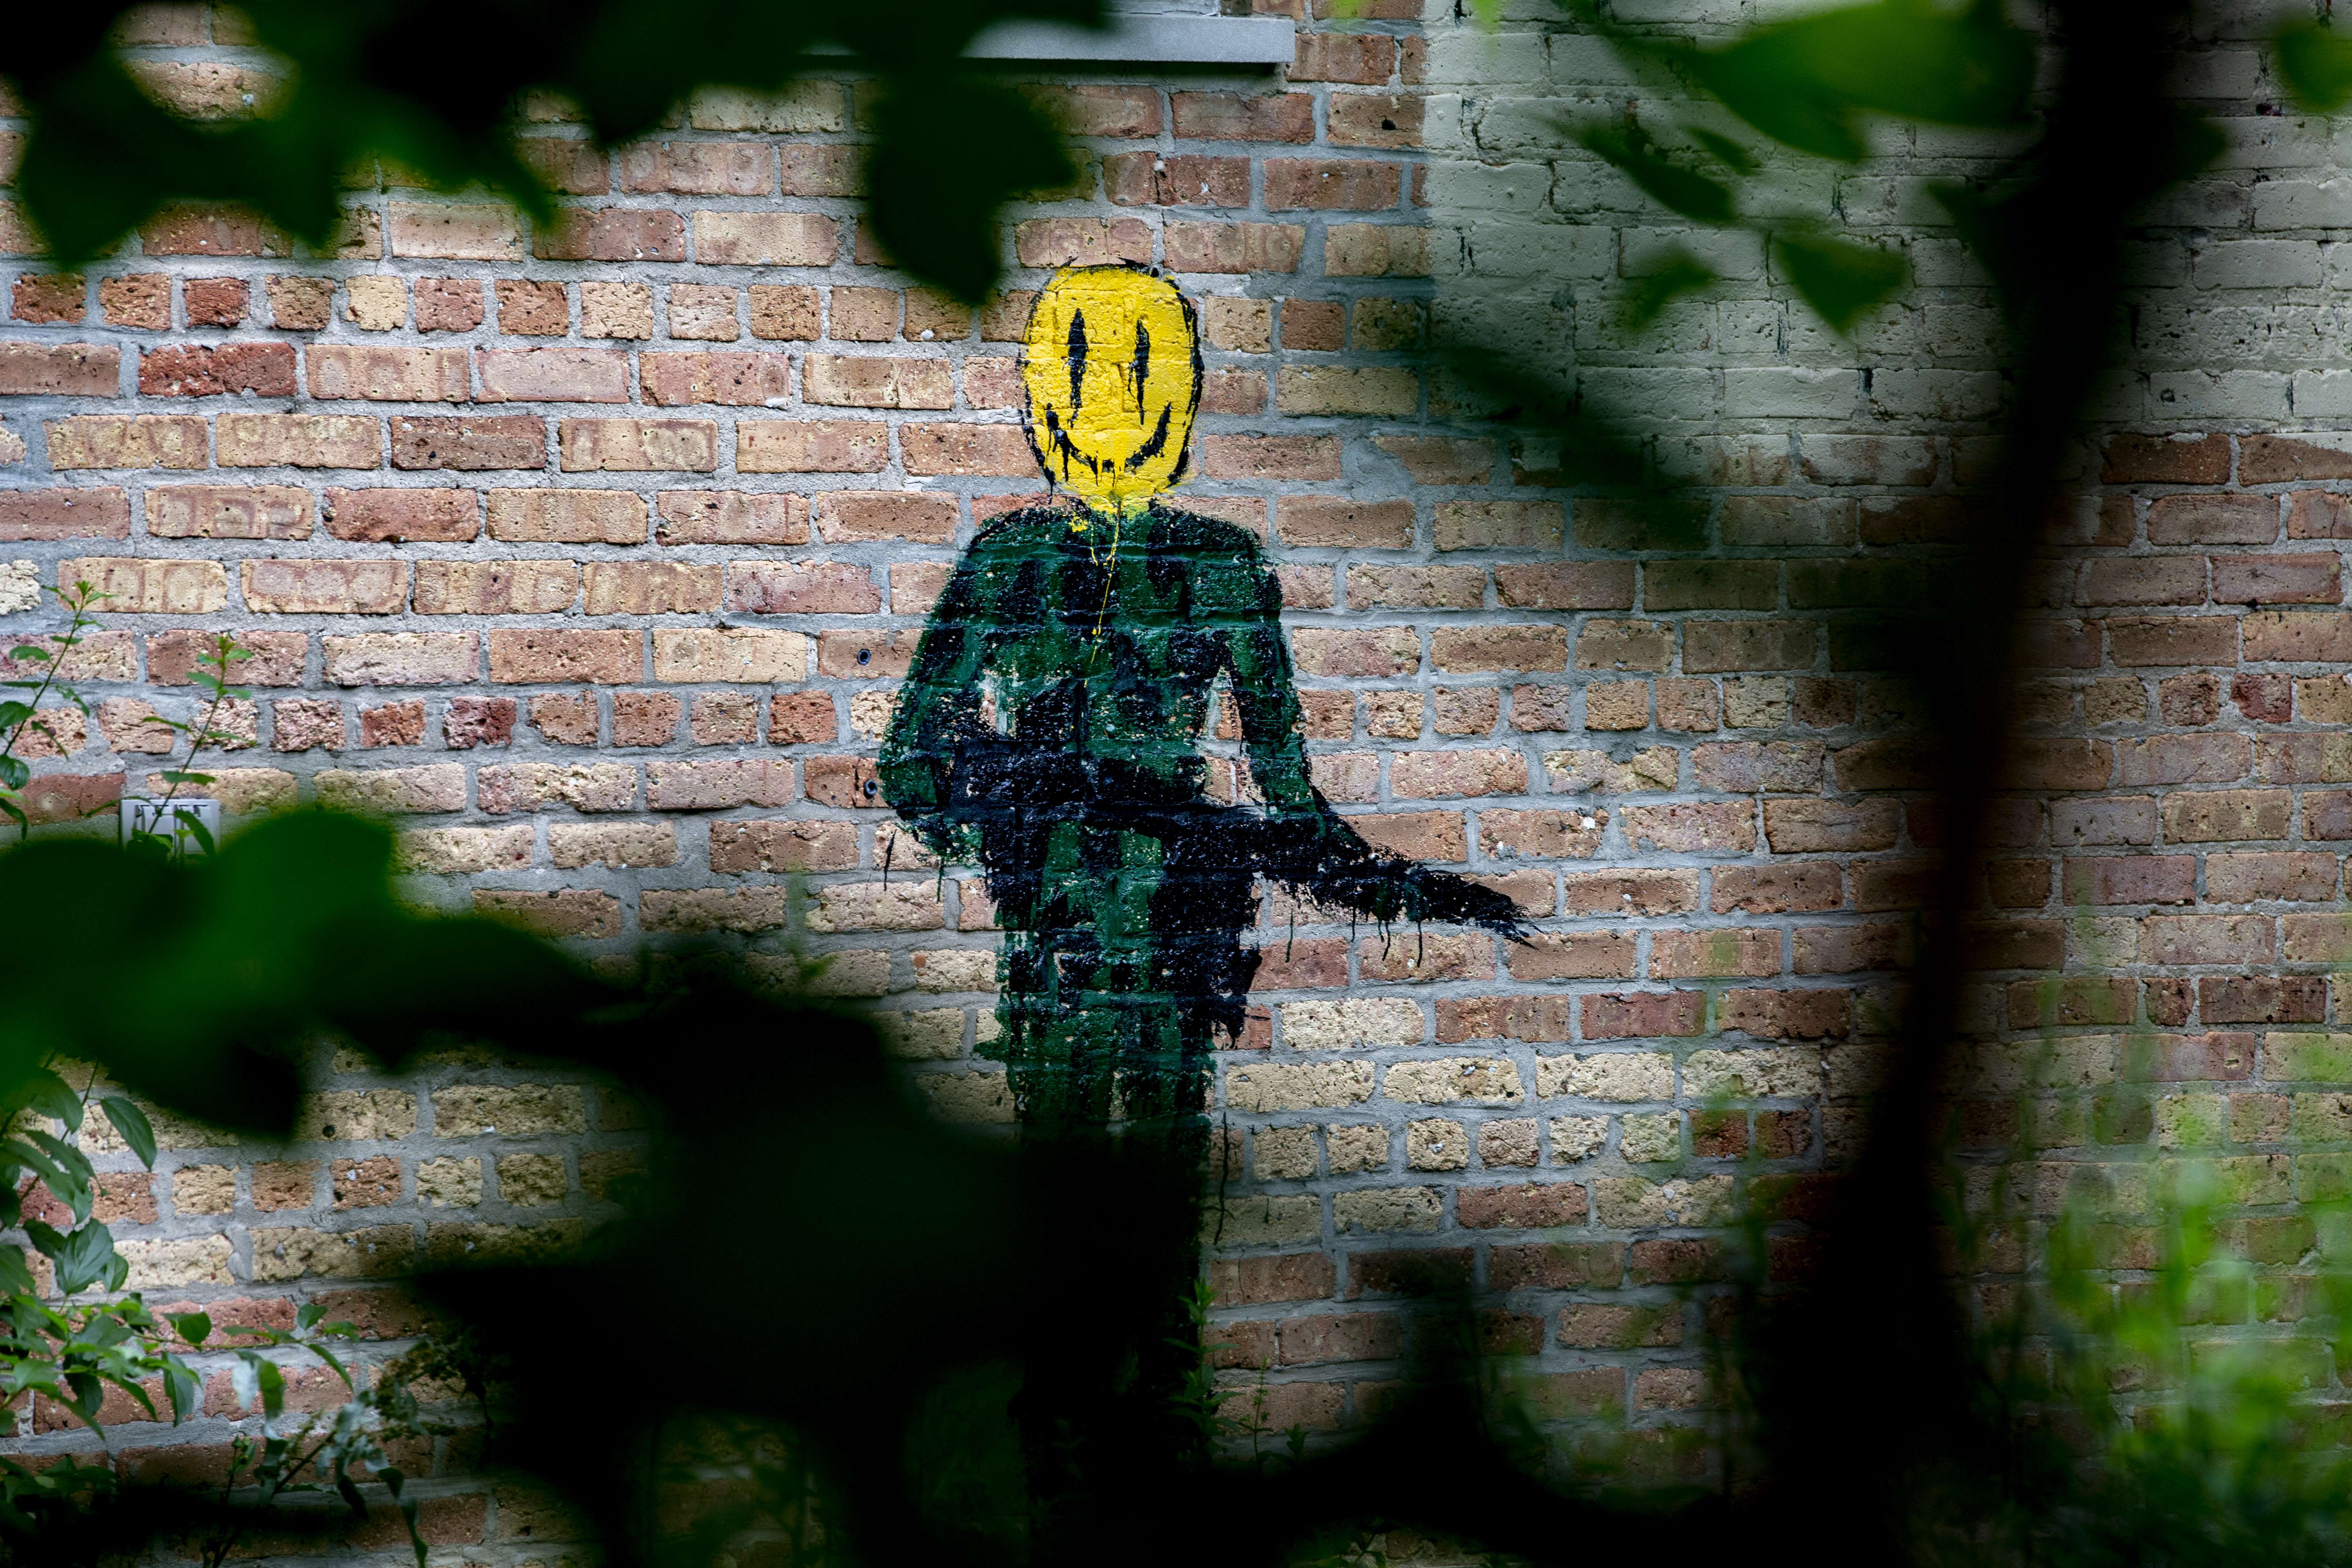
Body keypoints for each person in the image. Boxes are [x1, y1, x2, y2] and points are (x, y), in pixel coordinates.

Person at [879, 263, 1523, 1147]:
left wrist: (1404, 889)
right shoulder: (1008, 557)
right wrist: (1021, 813)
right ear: (1042, 392)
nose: (1111, 392)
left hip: (1178, 929)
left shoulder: (1221, 563)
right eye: (1080, 366)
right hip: (1057, 918)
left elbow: (1288, 795)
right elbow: (911, 763)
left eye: (1141, 367)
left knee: (1155, 1174)